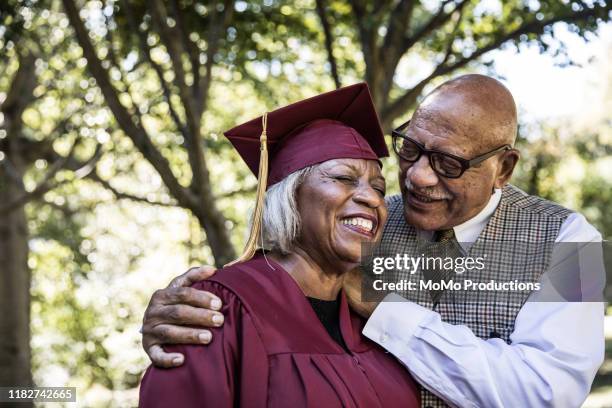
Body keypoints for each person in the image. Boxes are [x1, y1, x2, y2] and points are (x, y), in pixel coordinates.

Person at [141, 75, 605, 407]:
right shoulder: (361, 228)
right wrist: (189, 308)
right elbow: (273, 287)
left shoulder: (574, 245)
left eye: (448, 164)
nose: (418, 178)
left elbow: (550, 393)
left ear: (502, 168)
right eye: (410, 149)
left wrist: (387, 311)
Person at [139, 83, 420, 407]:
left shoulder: (377, 316)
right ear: (290, 196)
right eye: (344, 178)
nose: (372, 198)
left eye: (380, 189)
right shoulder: (215, 308)